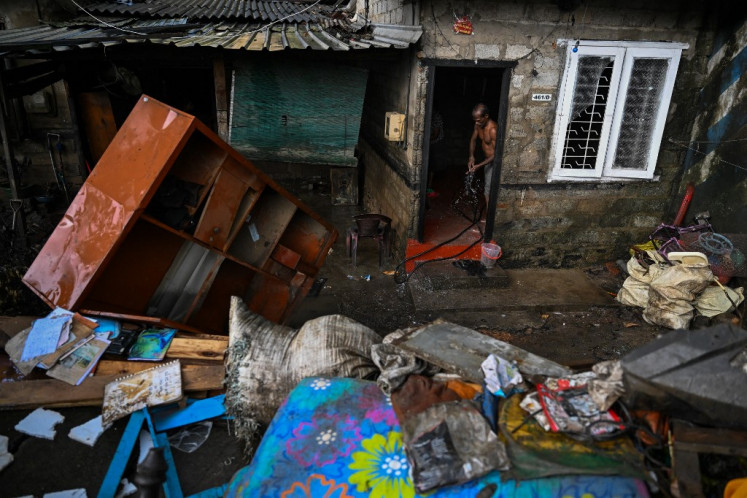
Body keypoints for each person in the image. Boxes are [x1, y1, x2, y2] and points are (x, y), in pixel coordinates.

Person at [467, 103, 498, 214]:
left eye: (479, 120)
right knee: (487, 189)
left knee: (488, 191)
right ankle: (490, 215)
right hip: (487, 161)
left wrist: (479, 165)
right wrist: (471, 156)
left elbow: (497, 154)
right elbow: (473, 140)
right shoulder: (478, 125)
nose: (476, 123)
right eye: (475, 120)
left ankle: (490, 218)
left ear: (486, 116)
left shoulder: (493, 130)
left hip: (495, 162)